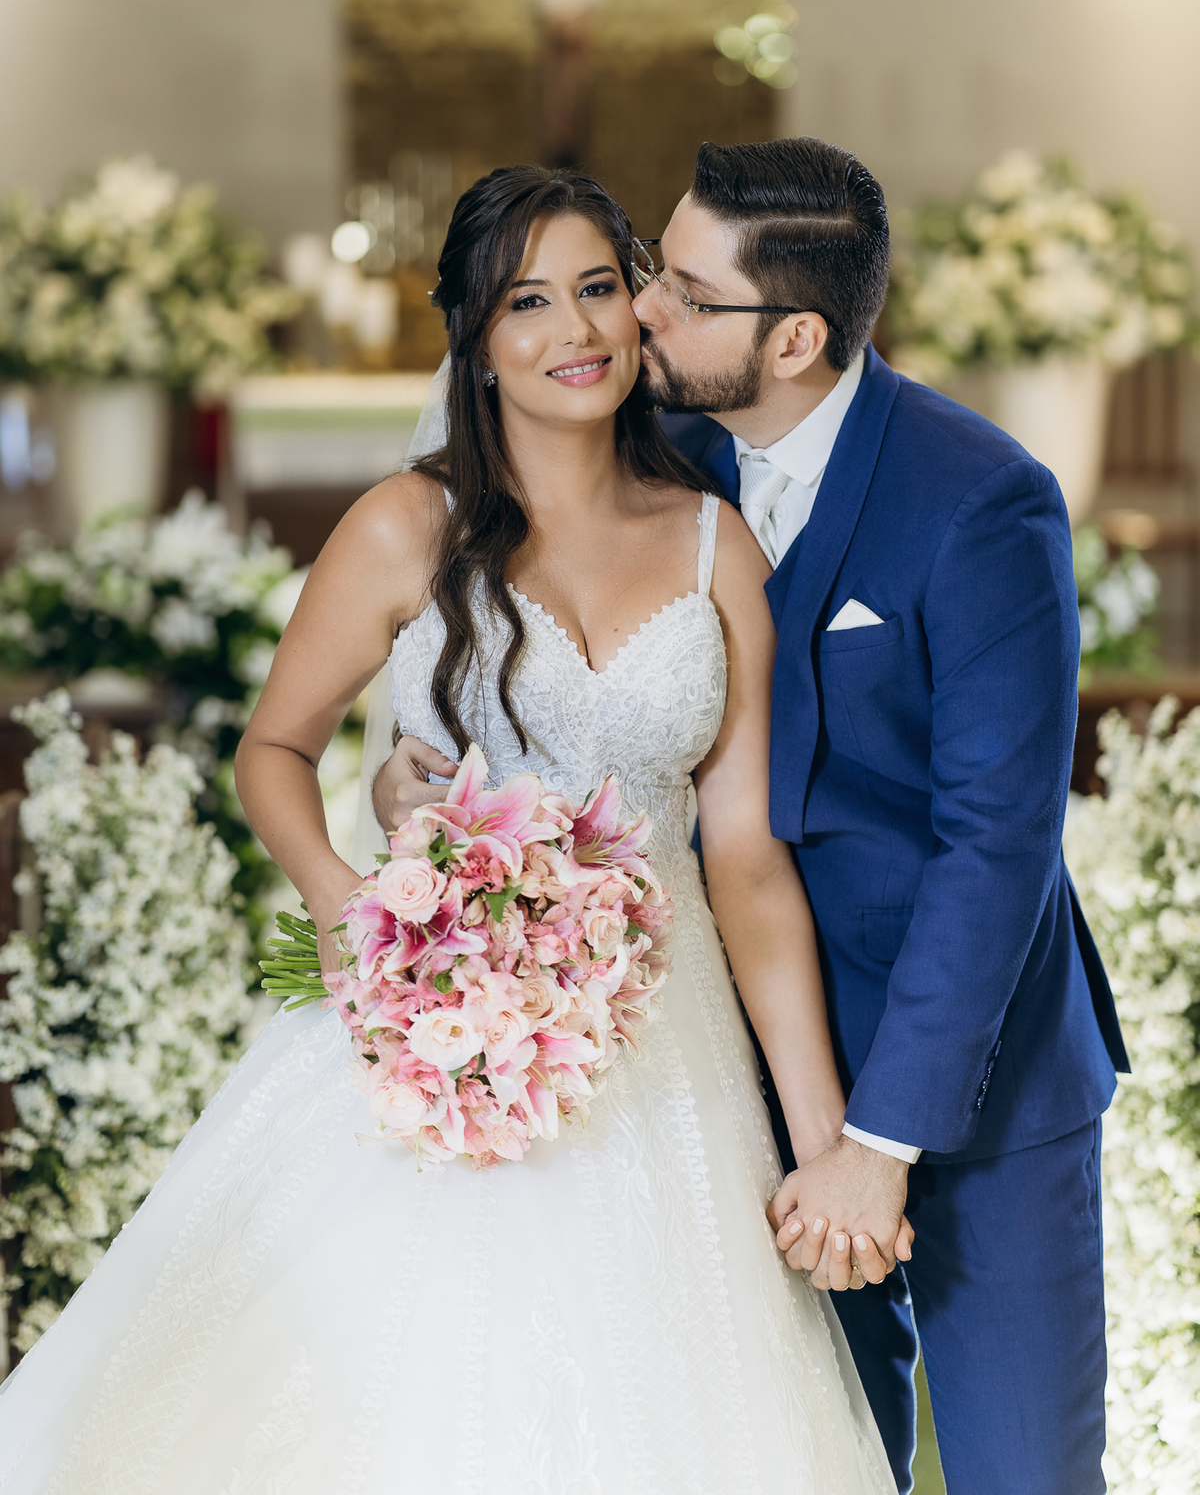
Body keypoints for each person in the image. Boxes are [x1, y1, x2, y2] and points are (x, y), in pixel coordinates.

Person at [0, 165, 897, 1495]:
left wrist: (828, 1135)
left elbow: (750, 864)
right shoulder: (403, 527)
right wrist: (339, 901)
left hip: (669, 1037)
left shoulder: (718, 547)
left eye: (599, 288)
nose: (575, 331)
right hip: (424, 1015)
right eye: (527, 302)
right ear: (475, 342)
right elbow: (276, 750)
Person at [634, 137, 1129, 1495]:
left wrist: (881, 1141)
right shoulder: (660, 464)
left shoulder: (980, 501)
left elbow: (998, 848)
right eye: (649, 270)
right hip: (744, 1081)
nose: (642, 312)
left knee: (1024, 1474)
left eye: (682, 290)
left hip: (975, 1091)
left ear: (794, 337)